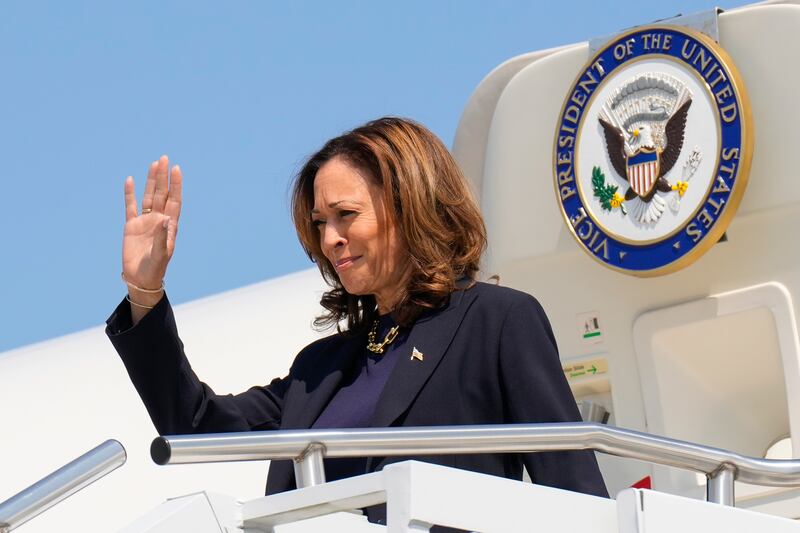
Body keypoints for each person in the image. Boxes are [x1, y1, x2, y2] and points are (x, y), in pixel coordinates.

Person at [106, 117, 607, 527]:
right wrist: (144, 292)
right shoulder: (320, 366)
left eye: (346, 214)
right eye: (321, 223)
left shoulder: (497, 322)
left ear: (410, 204)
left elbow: (574, 493)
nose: (330, 239)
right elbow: (193, 427)